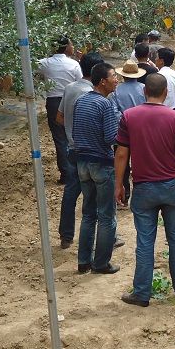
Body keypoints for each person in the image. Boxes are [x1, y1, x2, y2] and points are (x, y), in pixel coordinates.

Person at [116, 73, 175, 306]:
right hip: (173, 186)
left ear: (144, 92)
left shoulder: (129, 117)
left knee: (144, 241)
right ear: (166, 93)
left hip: (143, 187)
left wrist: (119, 185)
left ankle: (141, 293)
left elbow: (122, 153)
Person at [72, 62, 121, 274]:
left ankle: (83, 260)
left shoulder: (81, 102)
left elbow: (75, 132)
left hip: (82, 162)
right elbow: (111, 137)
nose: (116, 79)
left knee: (88, 214)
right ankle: (101, 263)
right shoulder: (105, 105)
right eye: (113, 76)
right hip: (101, 163)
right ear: (103, 81)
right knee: (106, 216)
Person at [56, 51, 103, 248]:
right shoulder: (93, 95)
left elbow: (59, 118)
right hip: (91, 151)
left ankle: (66, 235)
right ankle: (104, 236)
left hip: (72, 148)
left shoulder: (69, 88)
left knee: (71, 192)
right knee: (98, 195)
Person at [38, 35, 82, 184]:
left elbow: (32, 69)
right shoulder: (74, 64)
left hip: (54, 102)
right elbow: (80, 82)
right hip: (72, 100)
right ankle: (78, 171)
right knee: (74, 134)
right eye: (71, 44)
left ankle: (66, 174)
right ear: (66, 47)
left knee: (60, 138)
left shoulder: (44, 63)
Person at [109, 60, 147, 208]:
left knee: (121, 165)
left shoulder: (116, 92)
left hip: (122, 133)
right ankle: (142, 196)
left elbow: (114, 112)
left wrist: (126, 121)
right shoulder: (144, 88)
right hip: (142, 133)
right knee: (142, 163)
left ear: (123, 75)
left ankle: (124, 196)